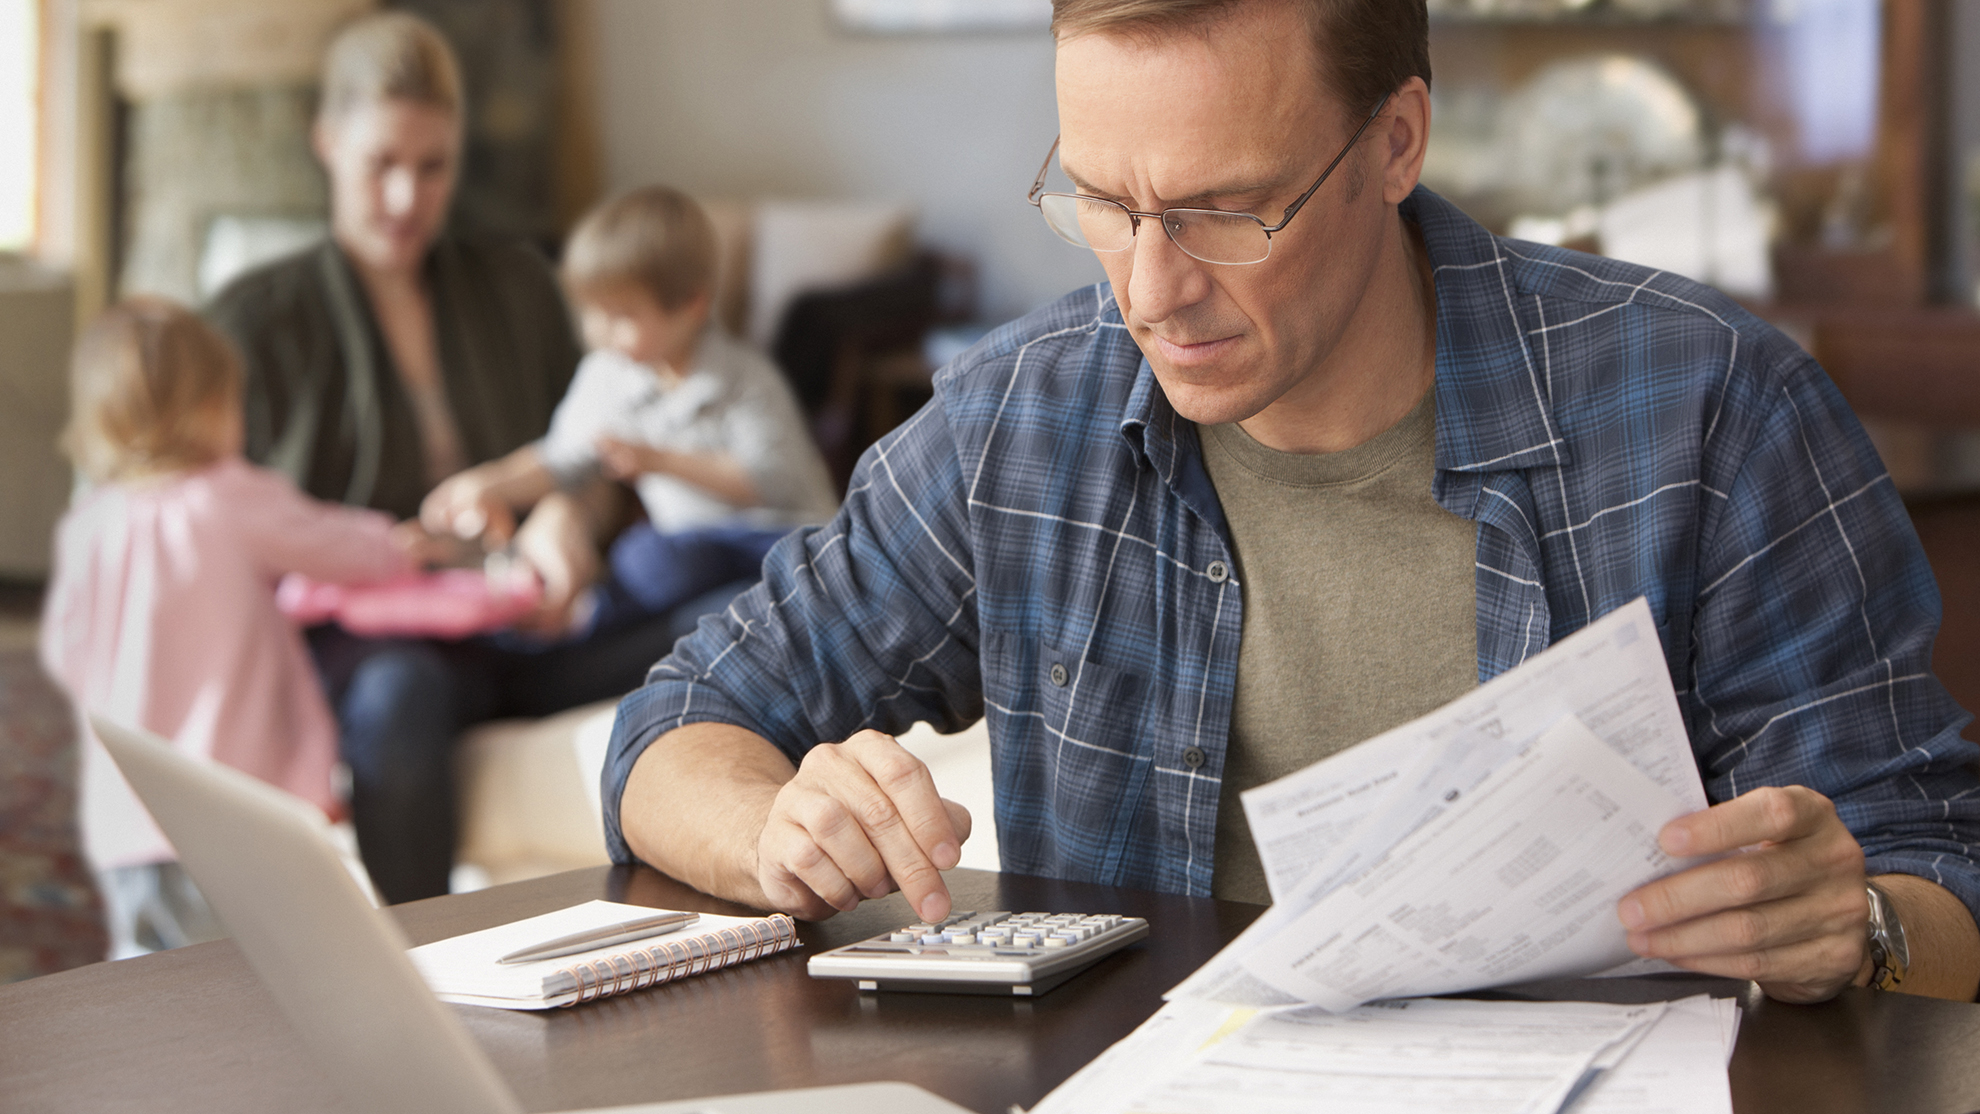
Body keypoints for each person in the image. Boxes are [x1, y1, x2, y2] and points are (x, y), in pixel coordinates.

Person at [603, 0, 1980, 1004]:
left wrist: (1854, 921)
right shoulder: (1021, 420)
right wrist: (773, 826)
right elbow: (676, 726)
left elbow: (1943, 882)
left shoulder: (1710, 406)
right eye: (1101, 198)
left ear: (1397, 140)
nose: (1148, 289)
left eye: (1224, 210)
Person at [205, 12, 679, 904]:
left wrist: (565, 522)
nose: (405, 199)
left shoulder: (519, 289)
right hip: (372, 644)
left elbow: (600, 457)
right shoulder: (254, 324)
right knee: (399, 702)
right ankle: (425, 978)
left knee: (739, 605)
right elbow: (219, 531)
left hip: (526, 624)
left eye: (432, 167)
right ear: (327, 141)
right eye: (381, 163)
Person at [39, 299, 424, 957]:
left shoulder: (87, 526)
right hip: (236, 816)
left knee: (157, 995)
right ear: (213, 408)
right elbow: (337, 547)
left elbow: (62, 652)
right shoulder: (227, 496)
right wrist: (403, 543)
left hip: (127, 820)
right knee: (261, 985)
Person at [420, 186, 838, 637]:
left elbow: (772, 480)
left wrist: (659, 460)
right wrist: (490, 485)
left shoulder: (746, 379)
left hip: (779, 540)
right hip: (695, 553)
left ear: (691, 306)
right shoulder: (608, 375)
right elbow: (561, 459)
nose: (600, 333)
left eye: (621, 316)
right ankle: (564, 628)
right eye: (591, 314)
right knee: (652, 564)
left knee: (654, 558)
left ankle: (592, 623)